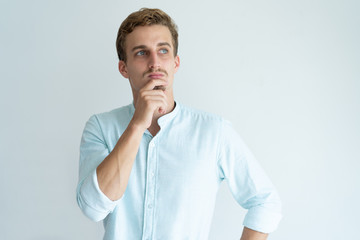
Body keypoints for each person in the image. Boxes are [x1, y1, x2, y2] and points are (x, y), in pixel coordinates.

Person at [76, 8, 282, 240]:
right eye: (142, 53)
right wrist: (136, 125)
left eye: (163, 50)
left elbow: (265, 202)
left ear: (176, 63)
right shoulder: (101, 127)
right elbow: (93, 208)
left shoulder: (214, 131)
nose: (155, 63)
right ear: (124, 68)